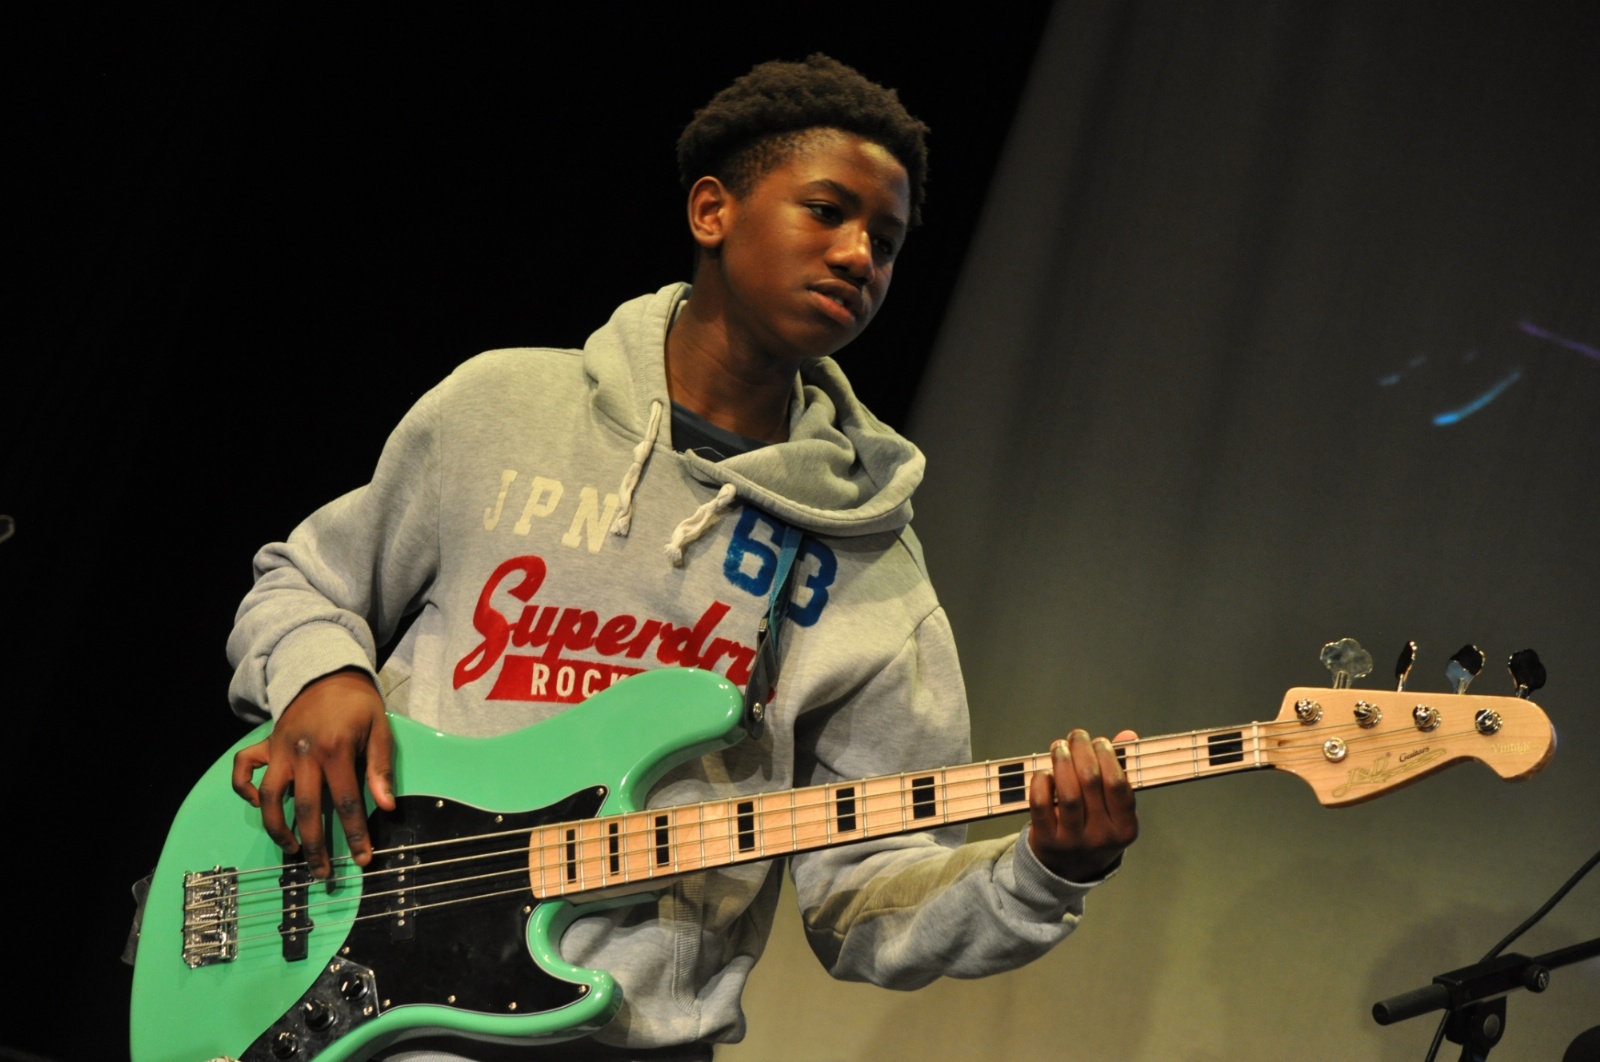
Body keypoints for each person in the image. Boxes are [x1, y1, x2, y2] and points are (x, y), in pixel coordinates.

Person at [226, 54, 1138, 1060]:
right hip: (357, 973)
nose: (858, 257)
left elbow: (867, 902)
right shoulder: (499, 408)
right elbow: (303, 583)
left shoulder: (874, 563)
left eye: (885, 243)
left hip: (629, 1038)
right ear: (713, 211)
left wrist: (1045, 871)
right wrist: (321, 677)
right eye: (827, 212)